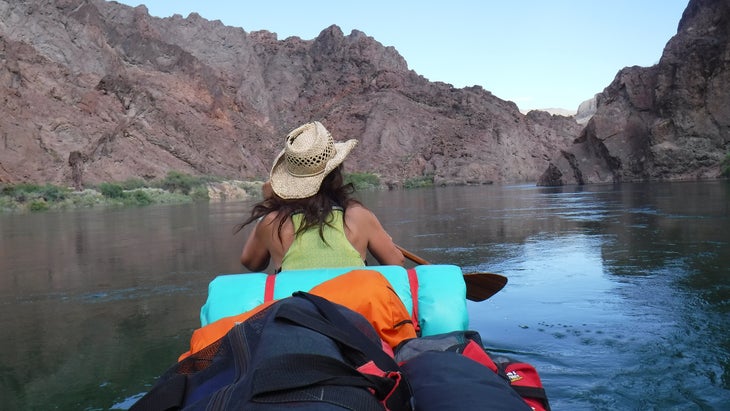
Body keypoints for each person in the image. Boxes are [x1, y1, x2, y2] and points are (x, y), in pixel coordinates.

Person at [237, 121, 404, 273]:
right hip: (348, 307)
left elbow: (252, 263)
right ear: (336, 173)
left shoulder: (273, 223)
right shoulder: (359, 217)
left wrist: (269, 206)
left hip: (298, 306)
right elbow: (396, 263)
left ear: (291, 180)